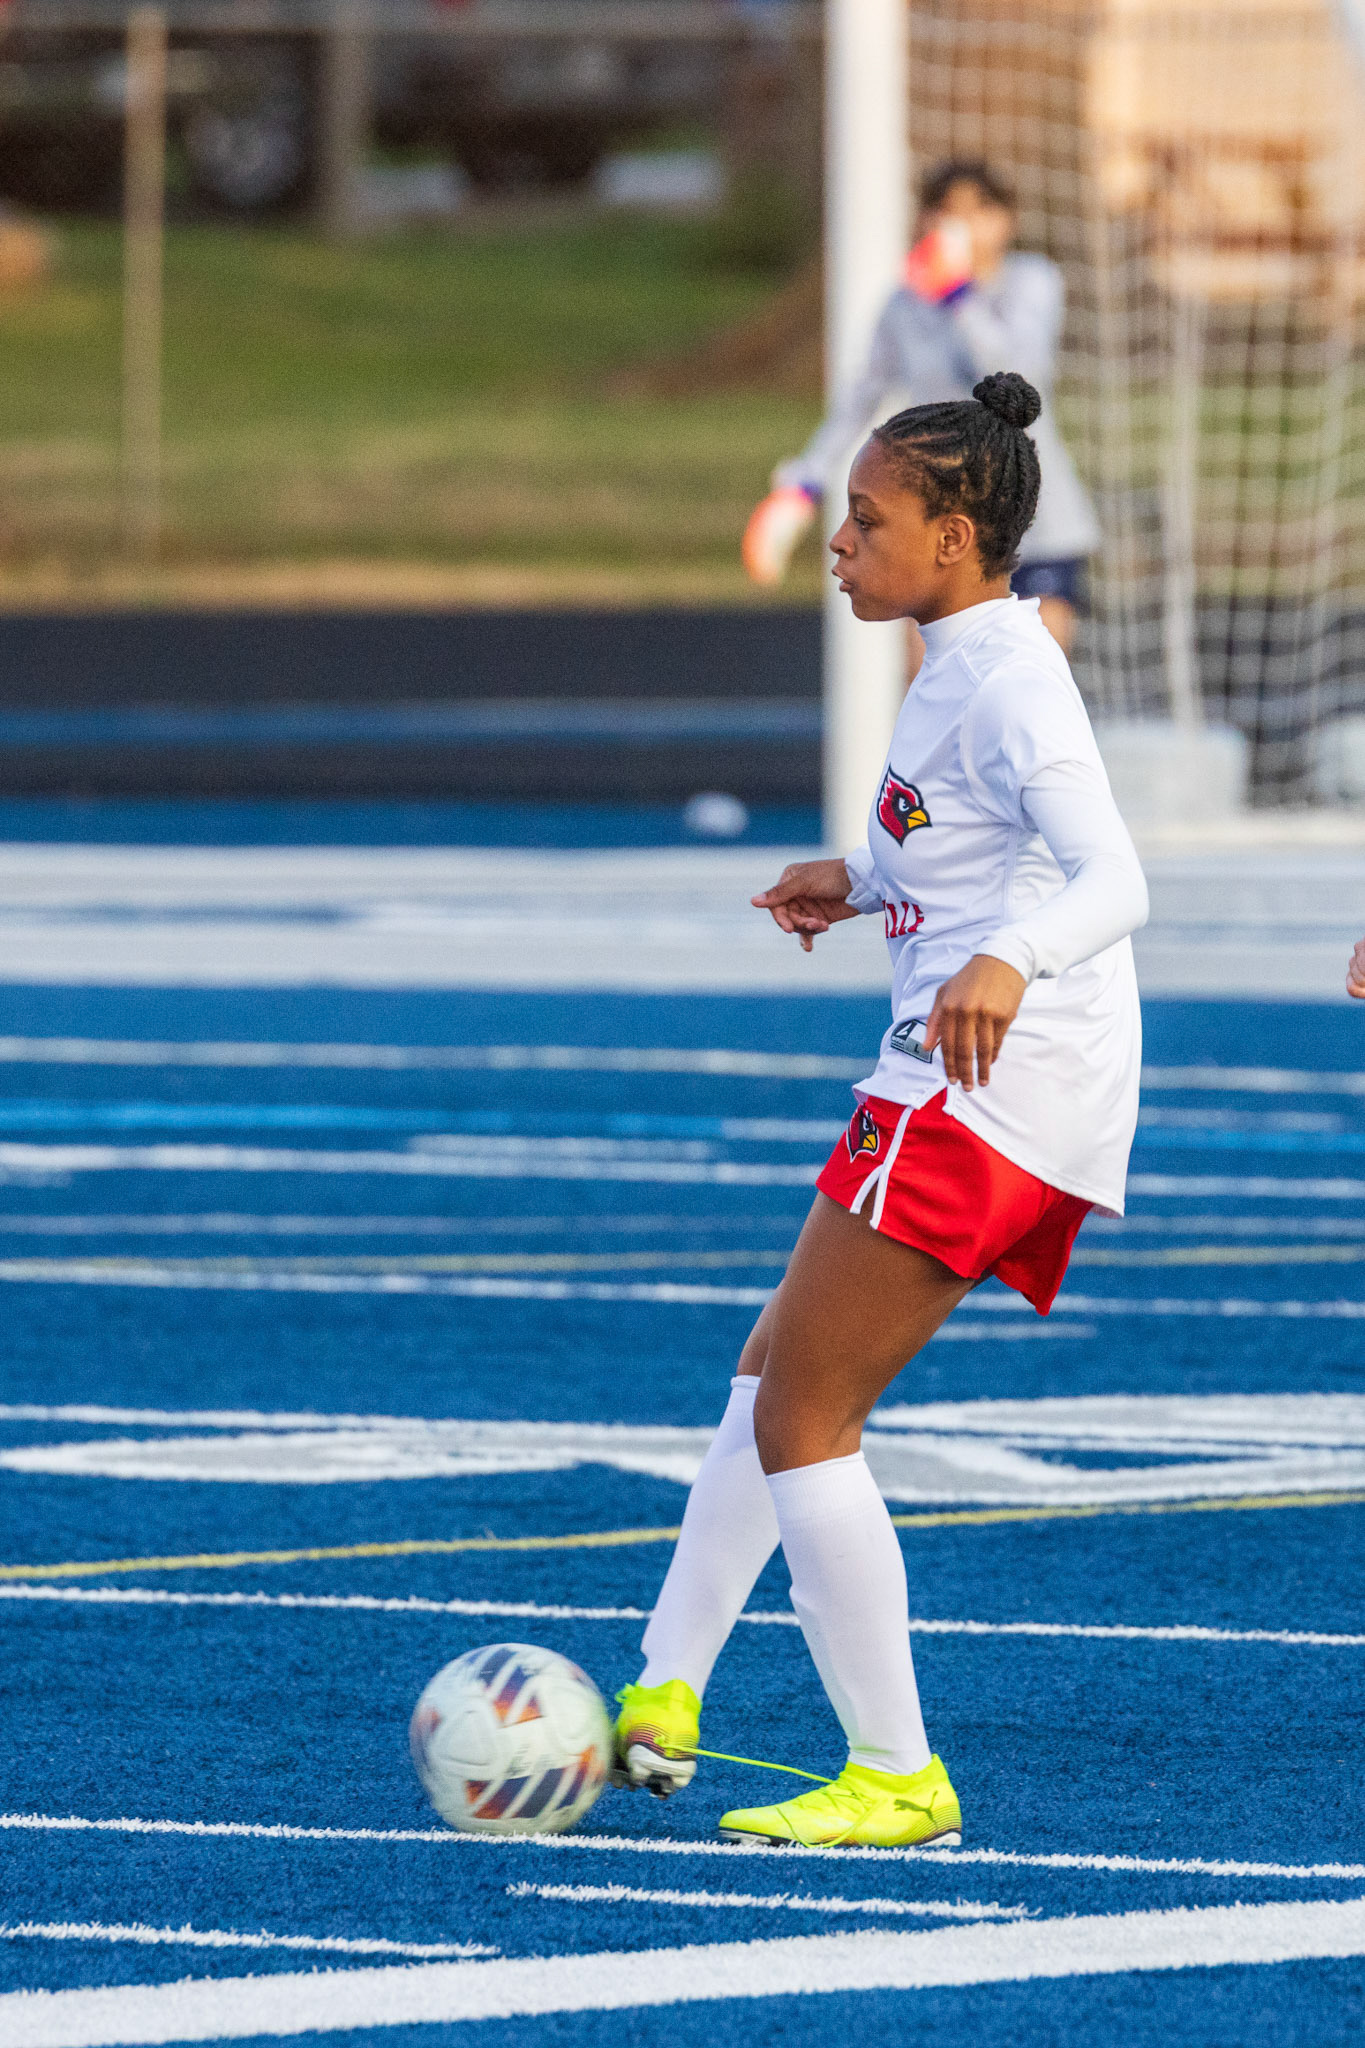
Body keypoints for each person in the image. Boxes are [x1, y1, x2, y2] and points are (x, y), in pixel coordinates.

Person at [613, 371, 1148, 1848]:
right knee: (774, 1366)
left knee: (807, 1413)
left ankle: (897, 1771)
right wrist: (855, 881)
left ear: (955, 538)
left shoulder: (1012, 677)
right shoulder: (956, 661)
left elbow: (1116, 879)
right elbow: (960, 842)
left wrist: (1007, 958)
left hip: (986, 1082)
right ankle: (664, 1689)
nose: (840, 543)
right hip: (965, 1074)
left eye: (867, 519)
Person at [743, 159, 1100, 658]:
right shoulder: (905, 304)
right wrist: (804, 483)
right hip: (941, 515)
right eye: (946, 211)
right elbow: (859, 398)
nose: (961, 225)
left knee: (1038, 667)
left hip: (1036, 517)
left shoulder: (1031, 282)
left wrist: (958, 296)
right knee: (932, 673)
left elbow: (1020, 378)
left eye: (978, 211)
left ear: (1007, 220)